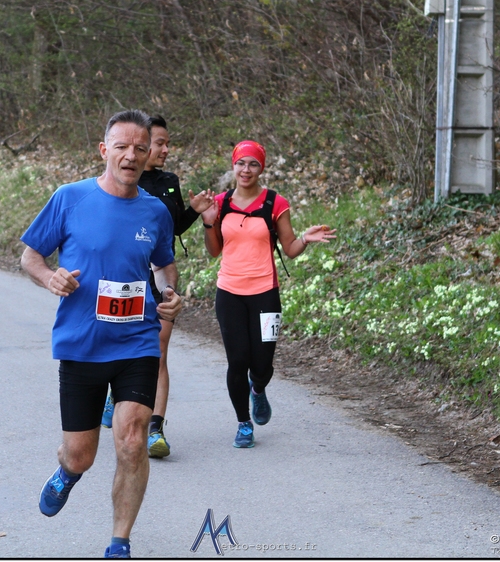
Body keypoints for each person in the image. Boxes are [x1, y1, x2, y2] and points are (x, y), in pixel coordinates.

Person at [20, 109, 183, 559]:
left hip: (137, 341)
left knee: (132, 440)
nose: (131, 155)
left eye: (140, 148)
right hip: (82, 343)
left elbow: (164, 265)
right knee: (81, 455)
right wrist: (50, 277)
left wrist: (170, 292)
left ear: (148, 155)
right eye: (122, 147)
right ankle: (67, 472)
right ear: (104, 150)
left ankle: (119, 541)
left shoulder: (155, 211)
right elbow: (30, 256)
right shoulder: (70, 198)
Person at [200, 140, 336, 448]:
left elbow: (290, 249)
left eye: (253, 164)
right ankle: (243, 424)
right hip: (229, 292)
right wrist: (208, 222)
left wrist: (305, 238)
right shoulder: (220, 202)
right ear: (233, 166)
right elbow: (214, 251)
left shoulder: (275, 202)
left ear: (262, 168)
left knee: (262, 364)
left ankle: (258, 389)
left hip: (265, 293)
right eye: (241, 163)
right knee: (237, 361)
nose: (246, 169)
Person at [101, 115, 214, 460]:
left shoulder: (169, 181)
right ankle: (115, 392)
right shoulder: (121, 180)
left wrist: (193, 211)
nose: (165, 150)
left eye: (166, 144)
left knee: (158, 351)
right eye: (159, 143)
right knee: (119, 345)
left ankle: (155, 429)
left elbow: (172, 227)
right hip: (127, 279)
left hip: (161, 275)